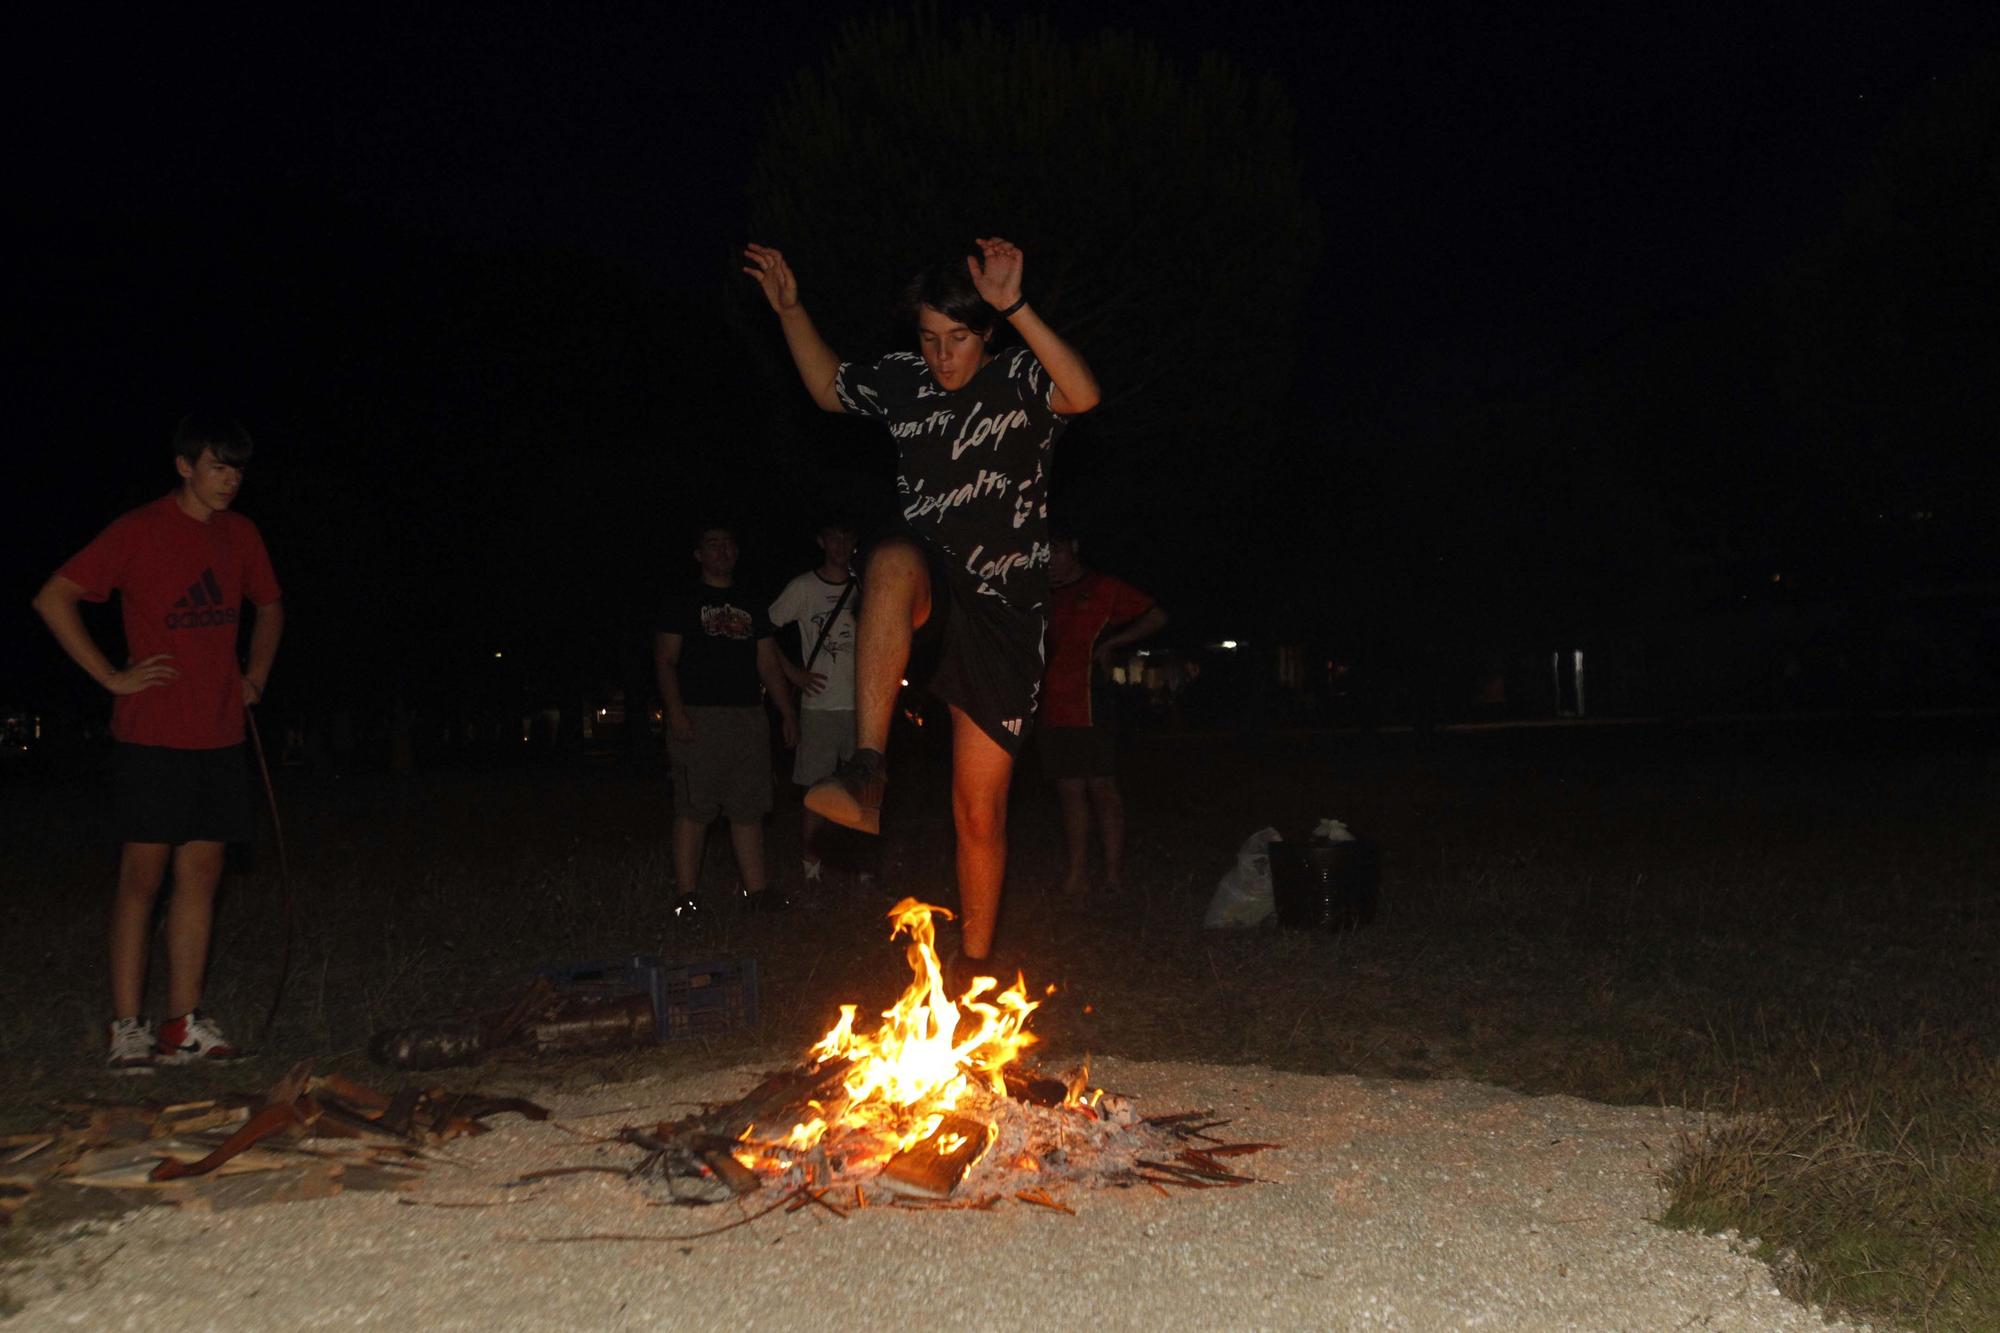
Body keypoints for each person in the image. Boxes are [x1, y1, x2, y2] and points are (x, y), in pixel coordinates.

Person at [742, 236, 1101, 971]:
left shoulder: (1021, 381)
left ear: (987, 333)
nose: (944, 357)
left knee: (978, 812)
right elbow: (826, 386)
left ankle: (973, 974)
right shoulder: (906, 382)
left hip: (1006, 618)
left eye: (960, 339)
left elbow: (1085, 394)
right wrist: (790, 309)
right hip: (934, 589)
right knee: (892, 559)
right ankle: (868, 772)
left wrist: (1017, 306)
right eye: (930, 339)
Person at [31, 414, 284, 1073]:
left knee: (200, 874)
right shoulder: (139, 530)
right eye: (216, 465)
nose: (229, 479)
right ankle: (127, 1028)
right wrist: (111, 675)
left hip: (221, 730)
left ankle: (182, 1024)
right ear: (184, 466)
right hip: (152, 734)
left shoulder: (240, 534)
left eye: (237, 469)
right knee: (141, 878)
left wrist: (254, 673)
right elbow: (54, 596)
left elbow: (271, 604)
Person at [655, 522, 799, 913]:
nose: (722, 551)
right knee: (695, 806)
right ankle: (687, 897)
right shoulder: (683, 600)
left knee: (748, 805)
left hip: (748, 717)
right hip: (699, 715)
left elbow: (768, 662)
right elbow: (666, 660)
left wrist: (786, 711)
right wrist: (676, 711)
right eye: (712, 545)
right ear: (698, 554)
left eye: (728, 545)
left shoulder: (750, 600)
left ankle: (758, 892)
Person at [1038, 534, 1167, 895]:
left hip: (1092, 701)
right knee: (1069, 789)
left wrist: (1112, 642)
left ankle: (1113, 874)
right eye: (1043, 552)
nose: (1050, 558)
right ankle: (1077, 873)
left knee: (1102, 787)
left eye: (1056, 549)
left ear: (1074, 546)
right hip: (1052, 703)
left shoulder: (1102, 587)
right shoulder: (1039, 593)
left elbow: (1156, 616)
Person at [766, 519, 863, 893]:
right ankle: (811, 870)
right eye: (833, 535)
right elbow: (763, 627)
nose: (840, 543)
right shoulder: (804, 587)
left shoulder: (864, 584)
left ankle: (862, 870)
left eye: (847, 535)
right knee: (817, 792)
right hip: (820, 706)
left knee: (861, 792)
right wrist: (791, 672)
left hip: (861, 708)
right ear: (820, 540)